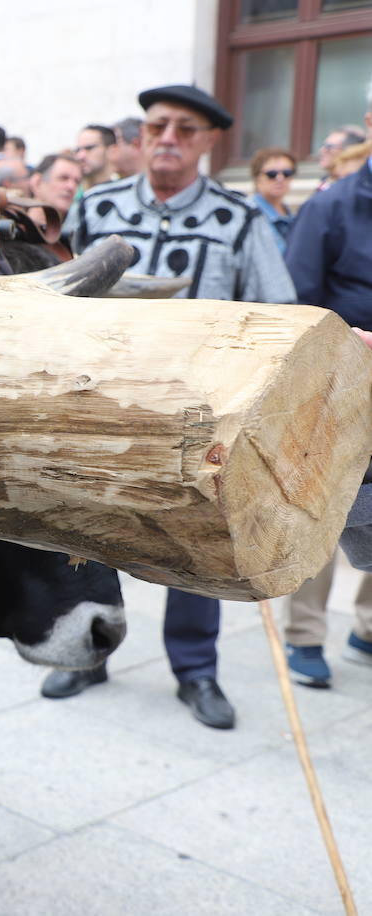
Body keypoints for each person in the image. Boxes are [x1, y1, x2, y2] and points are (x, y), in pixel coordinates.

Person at [50, 84, 296, 730]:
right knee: (90, 535)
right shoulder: (96, 207)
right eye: (157, 126)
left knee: (196, 548)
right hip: (103, 411)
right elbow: (55, 300)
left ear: (209, 142)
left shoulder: (240, 220)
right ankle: (88, 652)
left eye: (185, 130)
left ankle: (196, 670)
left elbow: (279, 314)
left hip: (197, 420)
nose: (167, 139)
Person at [282, 81, 372, 680]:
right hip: (342, 395)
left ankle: (367, 628)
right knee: (328, 513)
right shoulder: (331, 205)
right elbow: (293, 313)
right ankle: (306, 638)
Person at [247, 147, 296, 254]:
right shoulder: (248, 215)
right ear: (257, 177)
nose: (280, 178)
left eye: (287, 173)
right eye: (272, 174)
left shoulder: (293, 217)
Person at [315, 124, 367, 191]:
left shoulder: (358, 188)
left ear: (351, 151)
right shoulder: (326, 181)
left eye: (329, 146)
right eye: (323, 145)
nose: (322, 150)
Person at [73, 124, 116, 190]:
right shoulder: (70, 195)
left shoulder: (126, 191)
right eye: (78, 150)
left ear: (111, 150)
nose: (80, 156)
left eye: (89, 148)